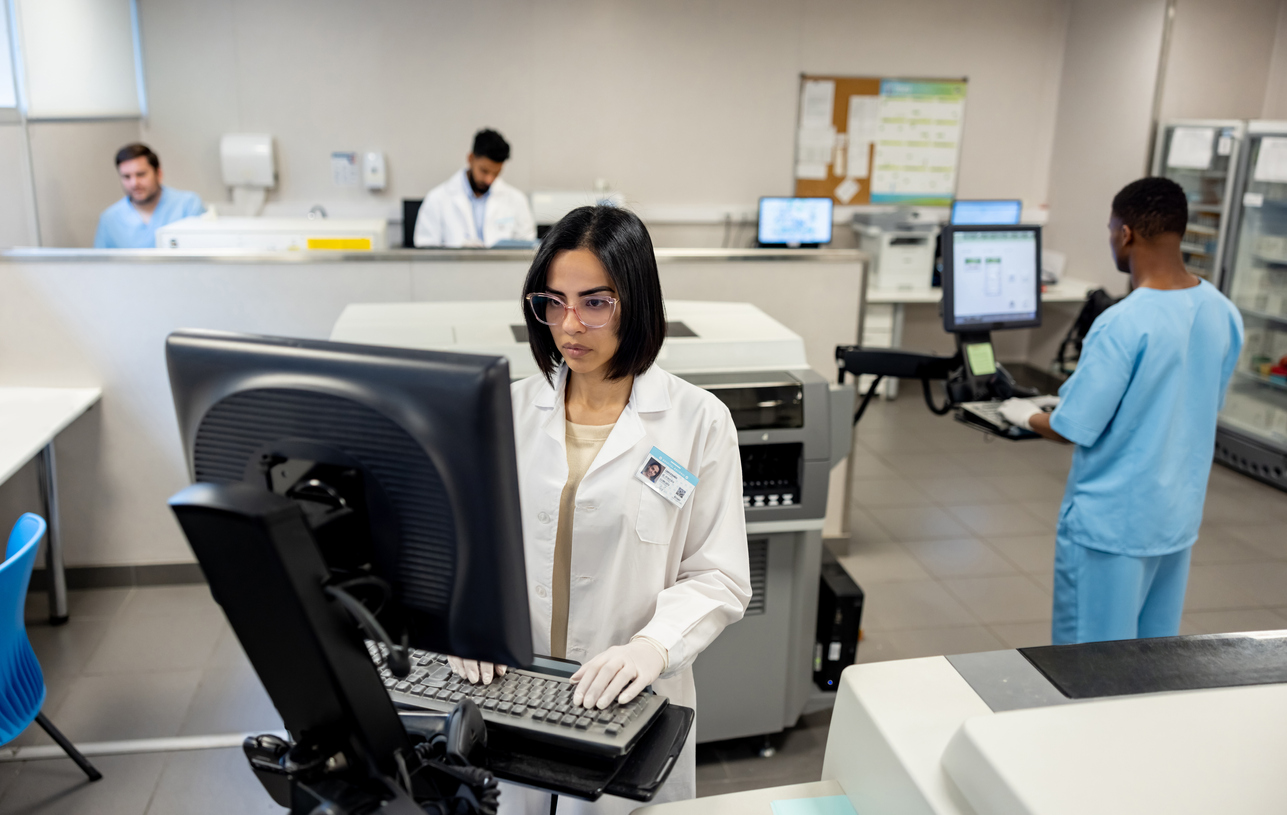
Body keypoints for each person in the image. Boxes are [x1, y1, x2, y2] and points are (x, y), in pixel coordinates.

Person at [447, 206, 752, 813]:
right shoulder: (507, 411)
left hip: (627, 701)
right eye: (553, 302)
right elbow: (471, 544)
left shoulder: (698, 421)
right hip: (510, 690)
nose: (570, 326)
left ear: (635, 302)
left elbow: (718, 575)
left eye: (594, 302)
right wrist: (469, 622)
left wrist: (653, 646)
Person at [1000, 177, 1244, 645]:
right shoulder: (1222, 311)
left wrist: (1020, 413)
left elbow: (1072, 426)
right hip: (1175, 520)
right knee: (1150, 659)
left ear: (1126, 233)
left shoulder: (1123, 322)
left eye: (1112, 229)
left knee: (1090, 667)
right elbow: (1190, 404)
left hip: (1112, 529)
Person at [413, 128, 537, 248]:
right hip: (453, 269)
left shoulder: (516, 200)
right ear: (470, 159)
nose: (489, 180)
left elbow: (527, 250)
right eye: (484, 171)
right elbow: (425, 251)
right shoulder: (437, 199)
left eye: (496, 173)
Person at [94, 143, 204, 248]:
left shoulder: (188, 205)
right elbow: (100, 265)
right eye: (127, 177)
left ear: (158, 174)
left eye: (141, 174)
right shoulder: (109, 219)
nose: (134, 183)